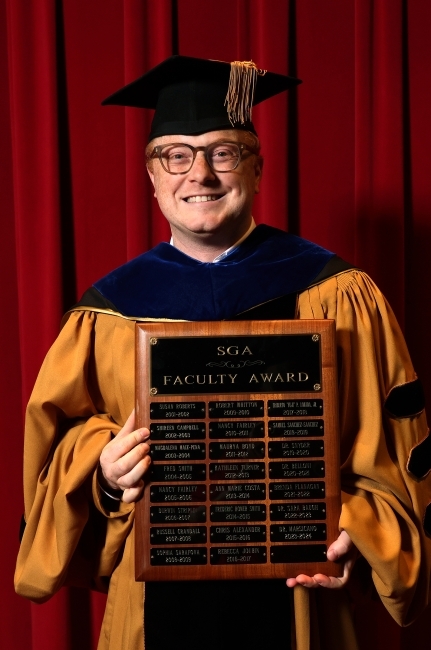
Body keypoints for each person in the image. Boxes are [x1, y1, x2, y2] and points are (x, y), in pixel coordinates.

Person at [15, 56, 431, 650]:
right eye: (176, 156)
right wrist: (104, 473)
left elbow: (390, 464)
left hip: (297, 600)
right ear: (153, 178)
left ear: (257, 169)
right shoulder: (105, 314)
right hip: (153, 608)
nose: (200, 174)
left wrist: (357, 540)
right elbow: (57, 460)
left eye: (224, 152)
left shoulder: (339, 296)